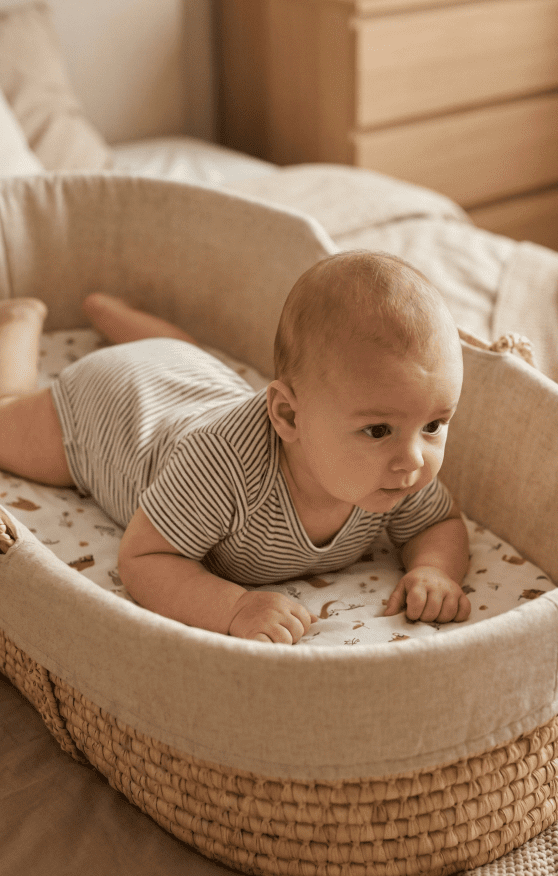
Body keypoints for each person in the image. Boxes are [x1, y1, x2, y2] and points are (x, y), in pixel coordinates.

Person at [0, 251, 471, 643]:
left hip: (193, 377)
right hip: (116, 406)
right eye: (377, 431)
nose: (414, 458)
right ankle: (23, 320)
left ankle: (121, 319)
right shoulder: (222, 468)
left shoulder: (398, 470)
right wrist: (236, 607)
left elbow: (437, 522)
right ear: (289, 417)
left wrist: (434, 570)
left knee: (189, 359)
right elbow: (143, 557)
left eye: (434, 424)